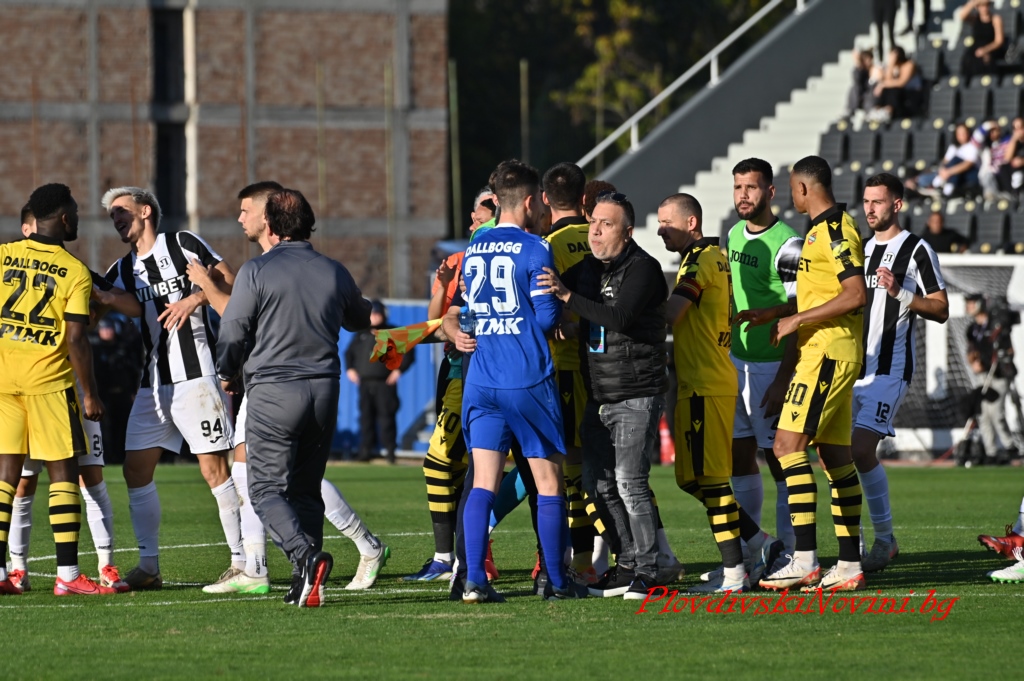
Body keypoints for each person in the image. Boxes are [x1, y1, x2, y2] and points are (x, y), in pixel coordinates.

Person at [188, 181, 389, 595]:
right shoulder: (334, 269)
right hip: (325, 392)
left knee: (262, 488)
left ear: (272, 224)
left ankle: (305, 557)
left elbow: (234, 330)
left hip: (274, 391)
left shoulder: (257, 270)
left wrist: (227, 372)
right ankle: (306, 584)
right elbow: (360, 318)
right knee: (305, 489)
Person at [441, 159, 578, 602]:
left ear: (496, 200)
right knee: (549, 482)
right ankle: (557, 581)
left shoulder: (476, 247)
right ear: (535, 199)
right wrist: (559, 300)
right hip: (526, 376)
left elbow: (463, 312)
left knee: (482, 481)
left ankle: (474, 580)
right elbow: (543, 319)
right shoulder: (537, 248)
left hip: (480, 377)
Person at [736, 156, 869, 592]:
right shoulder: (816, 232)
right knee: (834, 458)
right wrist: (775, 313)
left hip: (826, 353)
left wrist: (796, 322)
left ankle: (805, 558)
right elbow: (817, 296)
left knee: (785, 446)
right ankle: (849, 564)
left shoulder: (835, 231)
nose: (792, 196)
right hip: (827, 351)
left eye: (793, 188)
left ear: (803, 189)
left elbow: (855, 295)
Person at [102, 186, 242, 591]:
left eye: (122, 211)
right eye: (112, 217)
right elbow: (105, 299)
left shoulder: (180, 243)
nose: (116, 220)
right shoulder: (122, 268)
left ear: (146, 211)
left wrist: (195, 298)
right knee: (135, 470)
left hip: (196, 378)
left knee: (213, 470)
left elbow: (229, 279)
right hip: (151, 386)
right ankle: (149, 566)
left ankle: (241, 561)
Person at [539, 190, 670, 600]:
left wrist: (566, 299)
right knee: (598, 485)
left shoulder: (644, 268)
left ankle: (651, 570)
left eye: (606, 224)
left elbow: (620, 317)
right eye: (593, 222)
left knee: (631, 483)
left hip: (636, 393)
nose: (595, 231)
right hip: (598, 395)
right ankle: (626, 562)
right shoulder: (588, 269)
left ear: (627, 232)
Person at [657, 192, 785, 594]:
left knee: (709, 479)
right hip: (701, 382)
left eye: (667, 222)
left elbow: (671, 313)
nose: (661, 229)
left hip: (705, 385)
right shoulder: (711, 256)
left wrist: (621, 315)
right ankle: (759, 543)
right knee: (690, 478)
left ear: (691, 223)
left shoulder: (699, 260)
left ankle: (734, 571)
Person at [0, 183, 118, 596]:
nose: (79, 219)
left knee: (6, 475)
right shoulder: (72, 270)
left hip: (4, 382)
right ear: (64, 218)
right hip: (48, 382)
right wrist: (89, 394)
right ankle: (68, 576)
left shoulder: (3, 255)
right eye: (76, 213)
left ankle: (1, 573)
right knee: (65, 471)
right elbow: (76, 339)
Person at [855, 173, 948, 573]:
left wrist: (902, 294)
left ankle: (885, 539)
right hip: (850, 369)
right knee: (834, 457)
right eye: (865, 201)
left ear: (897, 204)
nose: (869, 208)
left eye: (877, 201)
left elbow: (942, 308)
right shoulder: (857, 250)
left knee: (860, 450)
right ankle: (850, 545)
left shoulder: (916, 248)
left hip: (890, 370)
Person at [722, 159, 803, 563]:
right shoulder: (734, 234)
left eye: (751, 188)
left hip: (772, 366)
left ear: (770, 192)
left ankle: (789, 552)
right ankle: (752, 552)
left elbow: (798, 312)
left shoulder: (788, 244)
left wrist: (783, 379)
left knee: (779, 460)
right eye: (738, 187)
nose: (743, 195)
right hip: (738, 362)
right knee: (739, 457)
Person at [540, 161, 605, 584]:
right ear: (584, 200)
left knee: (566, 471)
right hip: (604, 365)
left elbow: (548, 312)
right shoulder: (603, 234)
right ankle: (590, 559)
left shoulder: (546, 246)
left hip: (563, 368)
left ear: (544, 199)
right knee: (597, 465)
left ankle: (578, 562)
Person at [345, 300, 414, 464]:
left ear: (383, 314)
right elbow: (349, 354)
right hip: (365, 383)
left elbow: (409, 353)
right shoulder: (361, 333)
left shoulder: (392, 332)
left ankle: (390, 452)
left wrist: (399, 371)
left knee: (386, 417)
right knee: (366, 418)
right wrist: (350, 369)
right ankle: (365, 452)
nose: (375, 318)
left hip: (385, 383)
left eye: (377, 314)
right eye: (372, 314)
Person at [965, 293, 1017, 461]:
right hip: (983, 376)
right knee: (982, 414)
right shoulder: (972, 329)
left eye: (971, 303)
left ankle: (1010, 446)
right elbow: (971, 351)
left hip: (999, 374)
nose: (969, 307)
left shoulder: (995, 326)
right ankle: (991, 451)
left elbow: (1009, 350)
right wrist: (974, 362)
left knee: (996, 412)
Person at [906, 123, 980, 198]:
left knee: (956, 160)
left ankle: (943, 188)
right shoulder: (954, 147)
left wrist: (948, 172)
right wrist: (942, 170)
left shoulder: (973, 146)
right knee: (923, 179)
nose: (962, 135)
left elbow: (967, 164)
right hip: (947, 174)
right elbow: (945, 161)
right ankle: (925, 186)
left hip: (968, 175)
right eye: (959, 133)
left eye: (964, 133)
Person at [870, 46, 923, 121]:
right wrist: (891, 65)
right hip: (900, 93)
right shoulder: (894, 66)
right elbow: (887, 79)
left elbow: (901, 83)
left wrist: (882, 84)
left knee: (893, 89)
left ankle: (889, 110)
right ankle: (878, 109)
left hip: (912, 92)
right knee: (887, 89)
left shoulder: (909, 64)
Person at [959, 0, 1005, 81]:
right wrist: (973, 3)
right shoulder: (975, 19)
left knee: (984, 61)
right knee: (968, 59)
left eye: (986, 5)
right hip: (976, 47)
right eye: (981, 6)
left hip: (991, 48)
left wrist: (985, 50)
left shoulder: (995, 19)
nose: (984, 8)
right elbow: (962, 15)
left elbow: (999, 41)